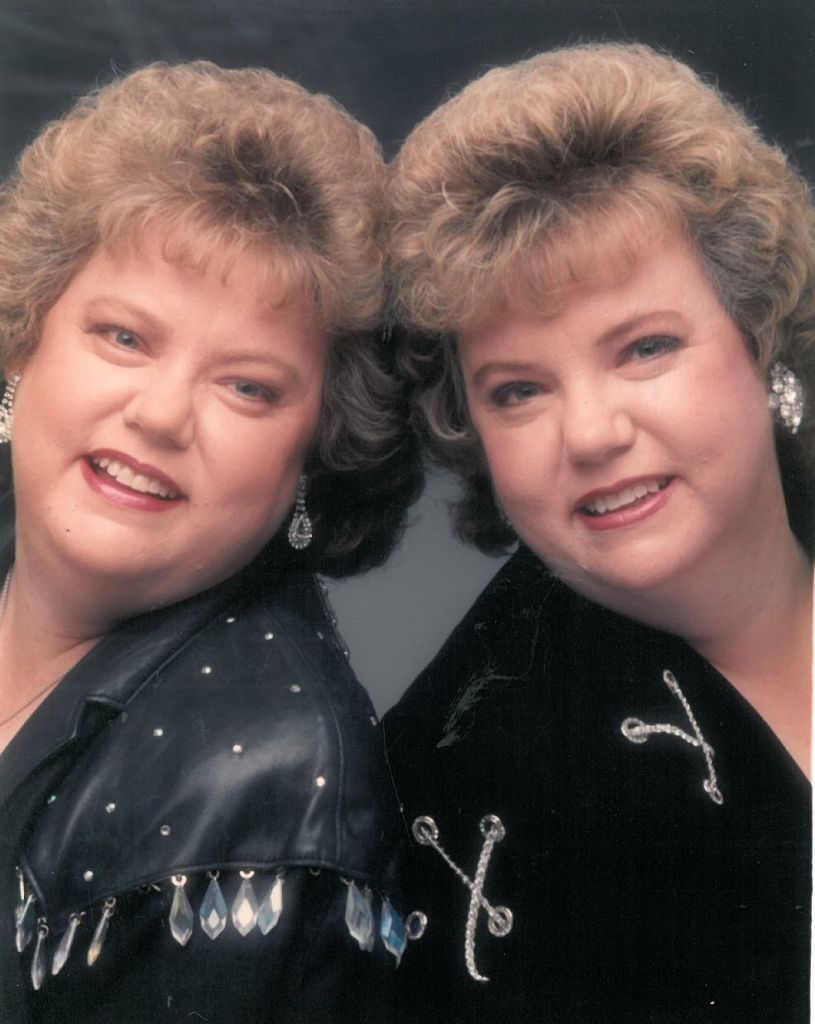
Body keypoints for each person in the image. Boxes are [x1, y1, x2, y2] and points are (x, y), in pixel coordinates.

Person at [384, 42, 812, 1022]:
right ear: (471, 433)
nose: (589, 433)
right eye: (518, 391)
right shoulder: (452, 785)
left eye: (643, 348)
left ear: (758, 338)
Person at [0, 61, 421, 1023]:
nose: (158, 414)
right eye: (124, 337)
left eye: (246, 387)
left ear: (316, 454)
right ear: (23, 342)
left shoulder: (267, 789)